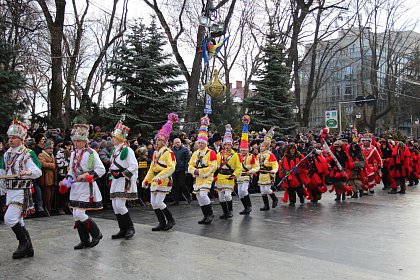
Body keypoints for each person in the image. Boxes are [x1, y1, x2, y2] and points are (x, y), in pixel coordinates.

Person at [58, 123, 106, 250]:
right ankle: (84, 240)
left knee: (79, 213)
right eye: (75, 140)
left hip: (86, 187)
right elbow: (71, 172)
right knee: (75, 214)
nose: (76, 143)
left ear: (85, 141)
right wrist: (66, 180)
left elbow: (101, 170)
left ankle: (97, 234)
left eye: (79, 140)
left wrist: (86, 175)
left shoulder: (91, 153)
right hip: (75, 188)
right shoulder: (73, 154)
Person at [1, 119, 42, 259]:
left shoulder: (27, 153)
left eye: (13, 138)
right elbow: (2, 172)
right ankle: (28, 248)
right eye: (9, 138)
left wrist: (28, 172)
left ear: (21, 139)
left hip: (22, 191)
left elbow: (38, 172)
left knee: (9, 219)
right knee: (18, 220)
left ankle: (23, 243)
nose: (10, 140)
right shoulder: (7, 154)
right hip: (10, 191)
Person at [142, 113, 178, 231]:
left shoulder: (168, 152)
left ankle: (171, 219)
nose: (156, 142)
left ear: (164, 142)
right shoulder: (156, 153)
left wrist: (161, 177)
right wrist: (146, 180)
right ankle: (161, 222)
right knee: (153, 203)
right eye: (156, 140)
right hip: (155, 180)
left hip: (163, 180)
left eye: (159, 140)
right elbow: (152, 169)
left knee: (159, 202)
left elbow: (171, 167)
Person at [108, 121, 138, 239]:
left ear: (120, 138)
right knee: (115, 205)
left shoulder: (127, 150)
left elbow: (134, 165)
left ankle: (130, 228)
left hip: (123, 180)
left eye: (114, 137)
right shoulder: (115, 150)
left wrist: (122, 174)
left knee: (120, 204)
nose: (112, 139)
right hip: (115, 180)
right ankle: (122, 229)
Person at [188, 115, 218, 224]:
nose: (200, 144)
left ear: (206, 143)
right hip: (198, 177)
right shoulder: (195, 153)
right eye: (199, 142)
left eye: (202, 143)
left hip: (206, 176)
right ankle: (205, 215)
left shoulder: (211, 152)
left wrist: (201, 171)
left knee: (204, 195)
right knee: (199, 196)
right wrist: (193, 171)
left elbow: (213, 166)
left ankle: (210, 214)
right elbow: (190, 164)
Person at [215, 124, 242, 219]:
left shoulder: (235, 155)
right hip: (220, 178)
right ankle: (225, 212)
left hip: (229, 177)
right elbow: (215, 166)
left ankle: (230, 211)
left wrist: (234, 175)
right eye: (225, 144)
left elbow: (239, 167)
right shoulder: (219, 155)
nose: (227, 146)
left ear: (231, 145)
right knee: (221, 197)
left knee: (228, 195)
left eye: (229, 145)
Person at [236, 115, 259, 214]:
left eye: (244, 150)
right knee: (240, 194)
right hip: (239, 176)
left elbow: (256, 166)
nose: (243, 151)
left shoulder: (251, 156)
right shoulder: (237, 156)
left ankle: (249, 206)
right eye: (241, 150)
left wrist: (252, 171)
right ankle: (246, 207)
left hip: (247, 176)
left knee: (244, 191)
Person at [256, 127, 279, 211]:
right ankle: (266, 205)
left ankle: (274, 198)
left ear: (266, 147)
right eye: (261, 146)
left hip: (268, 174)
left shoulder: (270, 155)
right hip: (261, 174)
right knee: (262, 190)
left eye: (262, 146)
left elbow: (275, 164)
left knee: (267, 189)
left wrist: (274, 170)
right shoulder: (259, 155)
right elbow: (256, 164)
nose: (261, 147)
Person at [38, 139, 57, 213]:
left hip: (52, 179)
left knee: (51, 196)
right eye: (49, 148)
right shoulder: (41, 155)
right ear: (45, 149)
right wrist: (52, 165)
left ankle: (49, 209)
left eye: (52, 148)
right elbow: (42, 164)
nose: (51, 150)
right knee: (46, 195)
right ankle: (46, 209)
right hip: (45, 179)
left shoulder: (52, 156)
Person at [171, 137, 191, 205]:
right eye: (176, 142)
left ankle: (188, 196)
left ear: (180, 143)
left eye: (178, 142)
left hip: (182, 169)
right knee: (174, 185)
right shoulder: (171, 150)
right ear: (173, 143)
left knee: (182, 183)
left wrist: (186, 169)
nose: (177, 144)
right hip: (174, 169)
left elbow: (188, 160)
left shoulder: (185, 150)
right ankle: (176, 200)